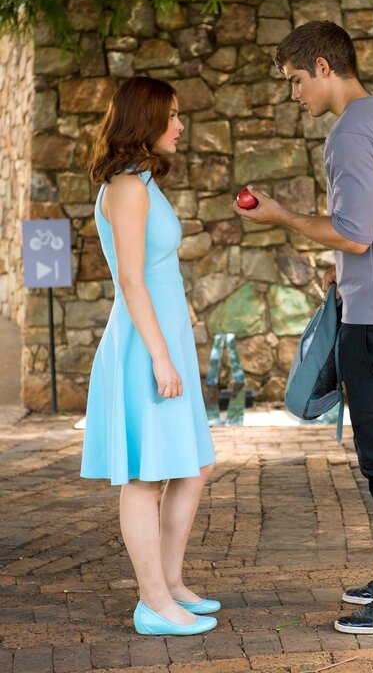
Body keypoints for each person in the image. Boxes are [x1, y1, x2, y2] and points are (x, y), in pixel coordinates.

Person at [233, 21, 373, 635]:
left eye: (296, 80)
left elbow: (355, 233)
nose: (294, 93)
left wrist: (280, 216)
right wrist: (344, 273)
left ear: (324, 67)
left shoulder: (350, 132)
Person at [81, 77, 218, 636]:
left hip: (163, 339)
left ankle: (171, 584)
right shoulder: (126, 187)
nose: (180, 125)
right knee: (144, 477)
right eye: (173, 114)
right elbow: (132, 281)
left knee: (195, 464)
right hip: (144, 345)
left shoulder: (141, 181)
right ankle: (153, 603)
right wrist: (161, 357)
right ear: (146, 119)